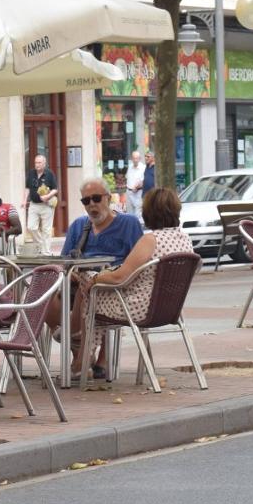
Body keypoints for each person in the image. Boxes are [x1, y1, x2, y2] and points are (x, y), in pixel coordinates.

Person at [61, 187, 192, 376]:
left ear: (148, 212)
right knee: (93, 291)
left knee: (91, 289)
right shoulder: (184, 239)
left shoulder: (150, 240)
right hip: (170, 309)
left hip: (138, 308)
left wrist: (95, 277)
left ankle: (81, 351)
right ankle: (87, 352)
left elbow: (120, 276)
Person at [45, 177, 144, 379]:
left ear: (108, 198)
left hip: (116, 286)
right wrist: (70, 273)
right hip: (78, 284)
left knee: (92, 287)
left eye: (96, 198)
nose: (92, 205)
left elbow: (138, 262)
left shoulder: (128, 223)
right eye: (86, 201)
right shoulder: (79, 226)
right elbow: (65, 262)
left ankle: (93, 357)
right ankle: (78, 347)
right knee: (47, 298)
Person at [23, 155, 59, 255]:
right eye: (36, 163)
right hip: (34, 204)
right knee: (31, 227)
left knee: (46, 230)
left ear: (44, 163)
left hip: (46, 205)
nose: (37, 165)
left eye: (39, 163)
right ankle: (41, 244)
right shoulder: (31, 173)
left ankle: (46, 252)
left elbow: (55, 189)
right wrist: (24, 200)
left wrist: (47, 196)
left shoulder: (49, 174)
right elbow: (27, 188)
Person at [124, 149, 145, 216]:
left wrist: (137, 187)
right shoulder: (130, 166)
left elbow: (143, 181)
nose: (135, 160)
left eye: (137, 158)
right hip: (129, 191)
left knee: (137, 212)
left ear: (139, 159)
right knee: (129, 212)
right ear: (131, 159)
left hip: (138, 192)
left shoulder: (143, 168)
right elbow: (127, 177)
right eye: (134, 158)